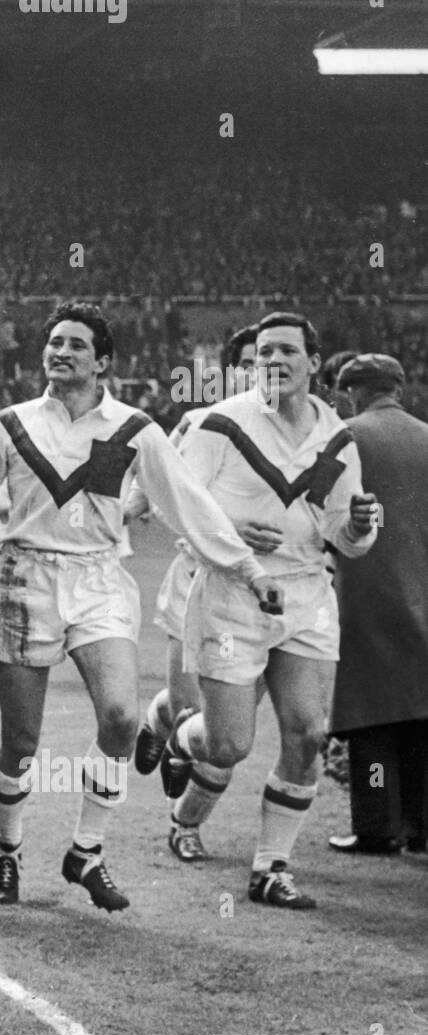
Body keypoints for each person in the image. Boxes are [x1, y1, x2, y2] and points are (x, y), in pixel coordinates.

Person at [0, 301, 281, 913]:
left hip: (99, 581)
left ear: (102, 362)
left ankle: (86, 851)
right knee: (21, 740)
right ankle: (7, 850)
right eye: (54, 342)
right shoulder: (11, 424)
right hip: (26, 582)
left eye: (76, 344)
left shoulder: (135, 429)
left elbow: (189, 505)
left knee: (124, 717)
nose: (60, 352)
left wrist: (248, 569)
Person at [161, 313, 380, 909]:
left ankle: (270, 868)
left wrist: (358, 527)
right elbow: (177, 505)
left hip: (307, 595)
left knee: (308, 734)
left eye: (287, 351)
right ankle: (180, 738)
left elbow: (342, 530)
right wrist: (229, 530)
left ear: (314, 362)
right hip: (233, 596)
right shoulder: (221, 423)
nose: (274, 361)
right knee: (228, 744)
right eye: (263, 353)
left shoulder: (337, 439)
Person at [130, 325, 259, 862]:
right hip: (198, 582)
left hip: (266, 600)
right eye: (251, 361)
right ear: (234, 372)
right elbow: (159, 493)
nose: (262, 371)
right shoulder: (199, 424)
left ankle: (186, 822)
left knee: (227, 730)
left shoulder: (308, 433)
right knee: (189, 711)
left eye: (271, 359)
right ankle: (161, 721)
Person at [328, 354, 428, 854]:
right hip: (422, 595)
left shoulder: (345, 436)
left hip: (364, 594)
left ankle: (376, 825)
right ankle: (421, 827)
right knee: (417, 714)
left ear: (355, 392)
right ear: (397, 388)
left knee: (370, 719)